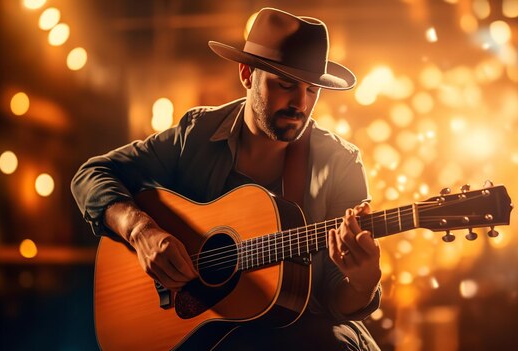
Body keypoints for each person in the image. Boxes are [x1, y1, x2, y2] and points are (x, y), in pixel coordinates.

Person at [71, 7, 382, 351]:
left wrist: (364, 282)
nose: (301, 104)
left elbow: (337, 300)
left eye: (312, 90)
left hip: (305, 333)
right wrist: (140, 230)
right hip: (200, 332)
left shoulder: (340, 162)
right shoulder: (197, 134)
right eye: (286, 85)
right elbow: (92, 174)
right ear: (247, 73)